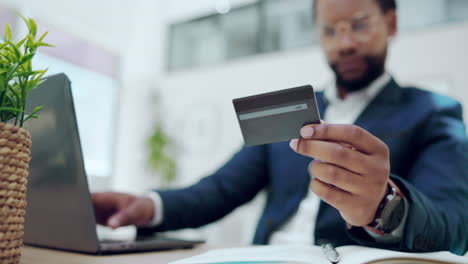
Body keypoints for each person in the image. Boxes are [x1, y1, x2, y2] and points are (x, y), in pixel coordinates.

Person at [92, 0, 468, 255]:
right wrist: (147, 206)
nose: (346, 43)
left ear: (391, 23)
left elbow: (455, 224)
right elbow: (220, 190)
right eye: (330, 31)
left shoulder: (433, 112)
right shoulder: (292, 112)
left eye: (359, 25)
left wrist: (386, 208)